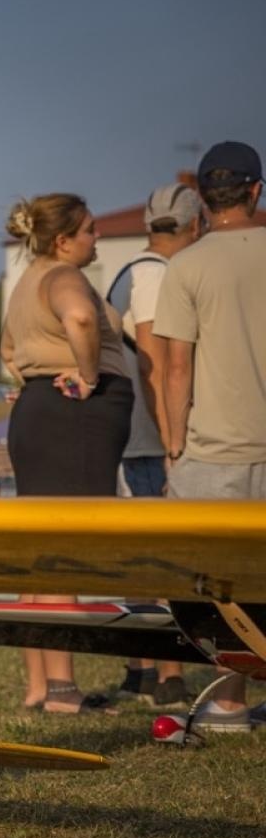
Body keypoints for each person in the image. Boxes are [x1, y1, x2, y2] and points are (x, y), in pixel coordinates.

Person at [1, 193, 133, 714]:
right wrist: (89, 373)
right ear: (63, 240)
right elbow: (80, 318)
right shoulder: (63, 276)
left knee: (40, 554)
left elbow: (11, 352)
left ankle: (40, 685)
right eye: (90, 230)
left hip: (39, 412)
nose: (96, 237)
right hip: (75, 415)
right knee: (63, 552)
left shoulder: (25, 282)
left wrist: (35, 382)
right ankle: (61, 690)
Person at [155, 140, 266, 733]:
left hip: (215, 448)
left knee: (223, 589)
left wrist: (175, 445)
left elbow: (177, 368)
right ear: (255, 191)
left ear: (203, 198)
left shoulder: (187, 266)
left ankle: (228, 702)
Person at [102, 182, 204, 707]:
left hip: (128, 432)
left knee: (137, 560)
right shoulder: (156, 276)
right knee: (162, 561)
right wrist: (173, 439)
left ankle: (141, 669)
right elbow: (156, 363)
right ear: (194, 226)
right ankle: (168, 674)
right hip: (146, 436)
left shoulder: (129, 270)